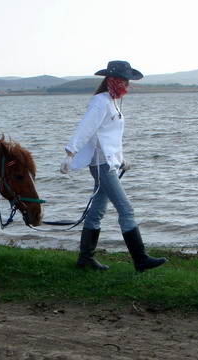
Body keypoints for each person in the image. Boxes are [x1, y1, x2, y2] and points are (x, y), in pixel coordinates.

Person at [60, 60, 166, 272]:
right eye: (123, 81)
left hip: (109, 162)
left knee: (97, 211)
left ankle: (85, 259)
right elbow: (86, 129)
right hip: (101, 165)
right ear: (112, 80)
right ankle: (140, 259)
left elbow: (109, 136)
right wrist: (70, 153)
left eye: (128, 82)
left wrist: (121, 159)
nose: (126, 86)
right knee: (126, 209)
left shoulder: (113, 101)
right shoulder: (100, 101)